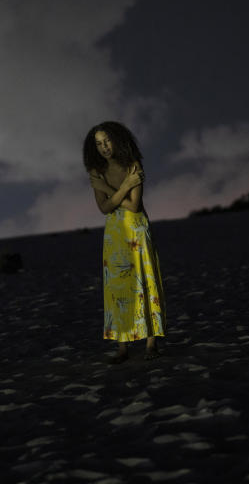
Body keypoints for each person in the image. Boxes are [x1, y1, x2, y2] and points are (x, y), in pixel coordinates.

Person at [84, 121, 166, 363]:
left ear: (117, 139)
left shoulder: (133, 165)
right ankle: (123, 347)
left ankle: (151, 344)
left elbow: (134, 205)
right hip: (115, 233)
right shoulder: (96, 172)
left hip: (137, 229)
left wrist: (110, 188)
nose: (104, 147)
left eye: (107, 141)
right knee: (117, 287)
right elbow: (103, 207)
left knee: (145, 281)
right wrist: (124, 187)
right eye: (98, 144)